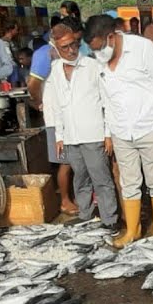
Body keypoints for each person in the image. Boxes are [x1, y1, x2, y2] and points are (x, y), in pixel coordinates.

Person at [83, 14, 153, 247]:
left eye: (100, 48)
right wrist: (108, 131)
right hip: (121, 131)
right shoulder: (100, 61)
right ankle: (132, 231)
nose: (98, 54)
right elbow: (105, 99)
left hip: (150, 127)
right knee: (129, 183)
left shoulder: (143, 49)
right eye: (93, 50)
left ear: (112, 37)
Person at [44, 18, 119, 229]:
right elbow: (57, 105)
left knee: (102, 179)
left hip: (93, 134)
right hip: (70, 136)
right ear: (57, 48)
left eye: (73, 45)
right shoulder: (56, 70)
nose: (70, 50)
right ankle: (85, 216)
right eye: (64, 47)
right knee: (80, 179)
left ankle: (109, 220)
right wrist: (59, 136)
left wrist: (107, 134)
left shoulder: (92, 66)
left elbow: (107, 102)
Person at [29, 20, 79, 216]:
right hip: (55, 118)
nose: (71, 48)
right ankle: (65, 201)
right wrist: (39, 102)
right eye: (66, 44)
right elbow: (32, 84)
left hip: (68, 116)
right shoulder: (44, 55)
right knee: (64, 162)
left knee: (71, 161)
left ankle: (71, 197)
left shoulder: (63, 53)